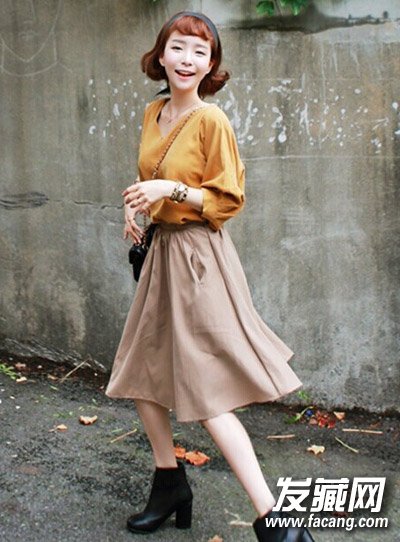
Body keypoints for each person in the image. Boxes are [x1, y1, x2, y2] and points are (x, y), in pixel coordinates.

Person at [105, 10, 315, 542]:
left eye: (200, 52)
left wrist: (169, 192)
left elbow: (228, 198)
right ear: (161, 55)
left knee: (206, 392)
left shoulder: (211, 120)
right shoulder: (154, 112)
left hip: (199, 259)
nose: (187, 59)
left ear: (210, 65)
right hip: (162, 253)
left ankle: (275, 521)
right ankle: (169, 483)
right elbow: (154, 175)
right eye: (178, 47)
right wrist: (137, 203)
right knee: (140, 373)